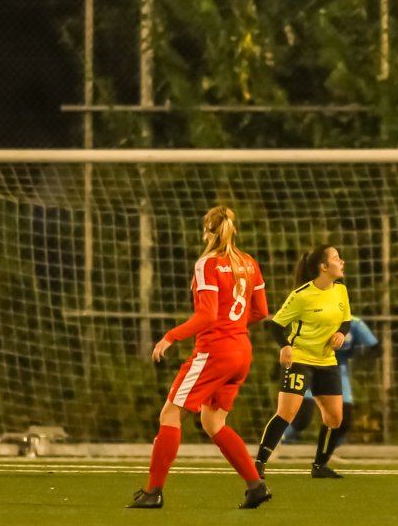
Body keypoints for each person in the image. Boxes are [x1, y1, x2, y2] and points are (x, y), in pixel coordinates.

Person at [130, 206, 272, 510]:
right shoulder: (249, 263)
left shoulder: (207, 264)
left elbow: (206, 316)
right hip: (241, 350)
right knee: (213, 421)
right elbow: (261, 311)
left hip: (215, 351)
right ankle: (255, 485)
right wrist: (234, 326)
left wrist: (171, 336)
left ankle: (153, 492)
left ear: (208, 232)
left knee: (170, 413)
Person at [254, 244, 354, 478]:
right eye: (336, 258)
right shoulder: (301, 296)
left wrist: (341, 333)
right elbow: (276, 325)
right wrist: (285, 346)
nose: (342, 262)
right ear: (324, 267)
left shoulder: (341, 290)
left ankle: (319, 466)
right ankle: (258, 463)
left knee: (335, 417)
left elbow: (346, 321)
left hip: (326, 361)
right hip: (300, 359)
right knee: (286, 413)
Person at [284, 318, 378, 451]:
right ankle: (282, 440)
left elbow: (376, 348)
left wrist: (360, 360)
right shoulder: (315, 318)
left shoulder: (355, 324)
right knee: (302, 419)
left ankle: (328, 453)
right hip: (312, 368)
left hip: (338, 372)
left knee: (343, 422)